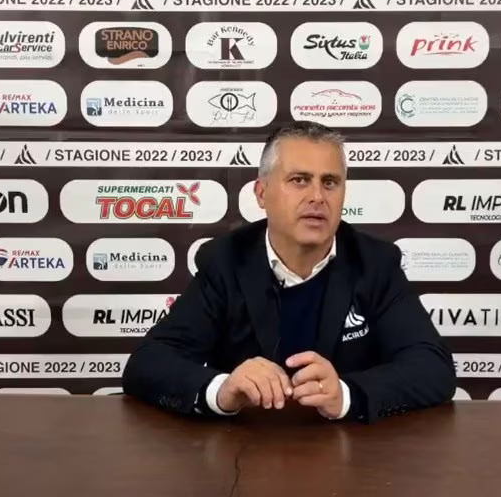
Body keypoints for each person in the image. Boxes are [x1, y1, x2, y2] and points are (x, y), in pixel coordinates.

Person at [122, 121, 456, 423]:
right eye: (299, 180)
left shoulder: (375, 263)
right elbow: (149, 363)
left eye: (330, 182)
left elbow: (432, 367)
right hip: (244, 452)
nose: (317, 196)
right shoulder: (225, 261)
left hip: (352, 454)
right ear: (261, 193)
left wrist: (346, 395)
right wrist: (222, 389)